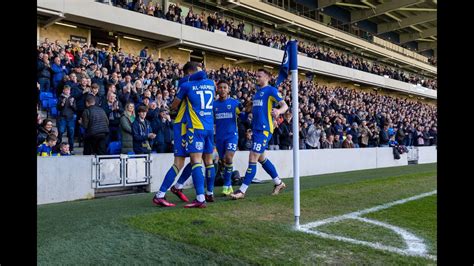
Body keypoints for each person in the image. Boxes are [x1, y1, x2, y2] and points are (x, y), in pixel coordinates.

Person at [230, 69, 288, 200]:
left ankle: (242, 191)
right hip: (256, 130)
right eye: (257, 75)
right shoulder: (257, 93)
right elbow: (253, 111)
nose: (257, 77)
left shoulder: (271, 91)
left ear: (267, 77)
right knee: (262, 158)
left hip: (264, 130)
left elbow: (285, 106)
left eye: (259, 75)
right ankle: (279, 183)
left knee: (253, 157)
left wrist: (279, 111)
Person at [164, 62, 216, 208]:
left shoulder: (186, 85)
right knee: (206, 161)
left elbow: (174, 105)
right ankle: (207, 193)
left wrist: (169, 108)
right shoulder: (211, 84)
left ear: (188, 73)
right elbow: (203, 75)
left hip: (195, 126)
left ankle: (200, 198)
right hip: (209, 127)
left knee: (194, 160)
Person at [152, 65, 203, 207]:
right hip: (182, 125)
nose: (200, 72)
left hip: (190, 125)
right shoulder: (185, 82)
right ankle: (161, 194)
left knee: (195, 160)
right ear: (190, 72)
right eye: (197, 69)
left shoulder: (192, 83)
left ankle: (176, 187)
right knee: (180, 162)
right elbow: (203, 75)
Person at [213, 80, 242, 196]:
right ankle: (229, 185)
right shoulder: (214, 105)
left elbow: (243, 114)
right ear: (217, 90)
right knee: (223, 161)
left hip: (232, 136)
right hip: (219, 137)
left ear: (228, 89)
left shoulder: (234, 103)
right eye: (220, 87)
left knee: (228, 157)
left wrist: (248, 108)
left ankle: (226, 184)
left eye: (225, 87)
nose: (222, 89)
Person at [57, 85, 76, 153]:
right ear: (63, 90)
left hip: (70, 118)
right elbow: (58, 108)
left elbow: (75, 109)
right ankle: (58, 148)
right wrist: (62, 104)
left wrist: (71, 104)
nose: (67, 91)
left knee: (71, 134)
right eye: (66, 90)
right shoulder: (60, 97)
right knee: (60, 132)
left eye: (68, 90)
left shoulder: (72, 98)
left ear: (70, 91)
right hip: (62, 118)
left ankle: (71, 149)